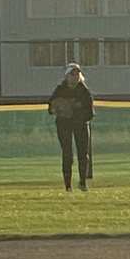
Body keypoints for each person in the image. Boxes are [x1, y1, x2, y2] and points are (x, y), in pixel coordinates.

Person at [48, 63, 94, 192]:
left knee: (83, 154)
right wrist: (59, 109)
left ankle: (82, 183)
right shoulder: (60, 90)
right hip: (64, 124)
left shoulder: (84, 91)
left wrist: (76, 112)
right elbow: (50, 108)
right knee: (67, 154)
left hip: (80, 124)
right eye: (71, 74)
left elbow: (90, 113)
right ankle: (68, 186)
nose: (74, 77)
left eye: (76, 74)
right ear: (66, 76)